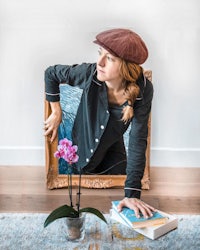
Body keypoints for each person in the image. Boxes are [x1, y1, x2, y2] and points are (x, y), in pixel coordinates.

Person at [44, 28, 156, 218]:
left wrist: (131, 195)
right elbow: (51, 73)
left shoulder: (143, 90)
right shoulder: (89, 74)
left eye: (110, 58)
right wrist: (56, 111)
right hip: (82, 157)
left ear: (126, 67)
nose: (100, 62)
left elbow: (138, 140)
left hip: (114, 159)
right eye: (99, 54)